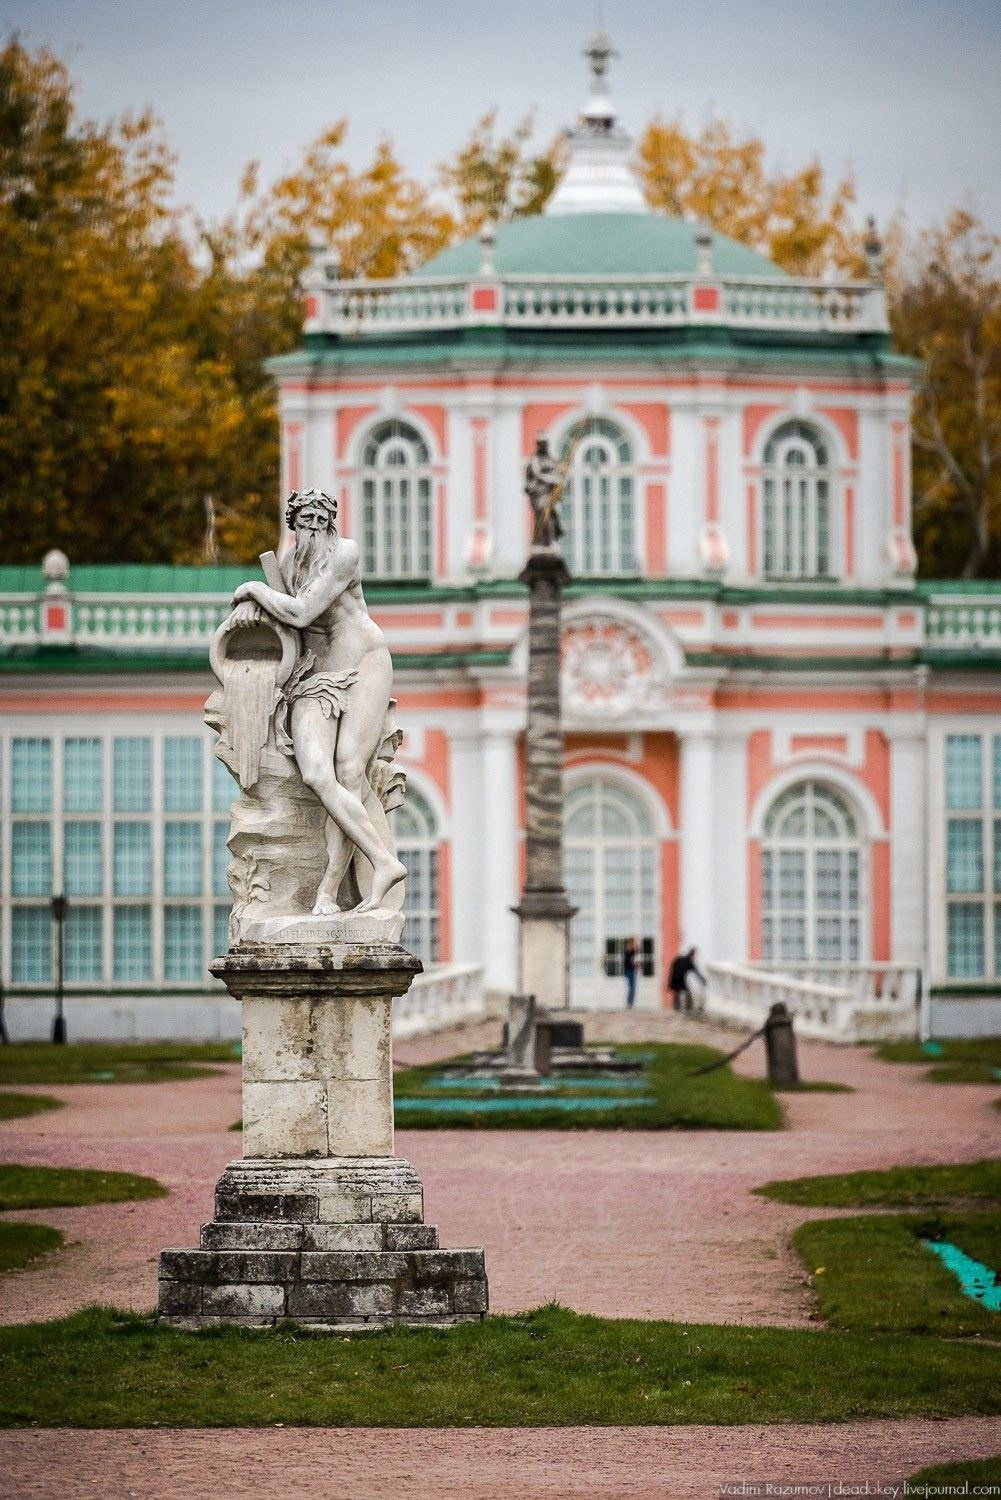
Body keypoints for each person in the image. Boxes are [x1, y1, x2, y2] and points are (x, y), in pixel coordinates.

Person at [229, 488, 406, 914]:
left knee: (349, 770)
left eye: (320, 519)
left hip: (364, 661)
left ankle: (329, 890)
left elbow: (303, 611)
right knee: (315, 772)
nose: (313, 527)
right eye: (305, 520)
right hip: (317, 674)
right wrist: (252, 612)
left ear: (331, 522)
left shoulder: (344, 553)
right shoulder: (287, 565)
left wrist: (254, 590)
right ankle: (383, 861)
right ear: (294, 524)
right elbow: (288, 621)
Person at [668, 946, 705, 1013]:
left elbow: (672, 966)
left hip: (674, 977)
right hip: (680, 978)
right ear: (693, 954)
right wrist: (702, 979)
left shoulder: (680, 958)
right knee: (687, 992)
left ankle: (677, 1007)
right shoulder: (689, 961)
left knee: (677, 992)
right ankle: (688, 1008)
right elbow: (696, 972)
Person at [623, 937, 639, 1008]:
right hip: (629, 971)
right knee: (632, 987)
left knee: (632, 987)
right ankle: (629, 1003)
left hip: (630, 970)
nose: (634, 945)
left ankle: (630, 1003)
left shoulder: (630, 952)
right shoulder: (627, 952)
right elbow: (628, 963)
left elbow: (636, 951)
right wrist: (635, 966)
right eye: (633, 943)